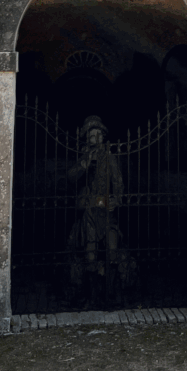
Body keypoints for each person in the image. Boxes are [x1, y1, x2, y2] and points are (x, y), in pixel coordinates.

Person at [67, 115, 124, 299]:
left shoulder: (110, 158)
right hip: (89, 213)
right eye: (92, 135)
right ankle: (92, 296)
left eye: (99, 135)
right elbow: (71, 177)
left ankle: (110, 295)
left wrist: (117, 200)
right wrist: (84, 165)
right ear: (87, 138)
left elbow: (118, 182)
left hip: (106, 213)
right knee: (90, 253)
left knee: (112, 251)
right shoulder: (83, 158)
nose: (96, 138)